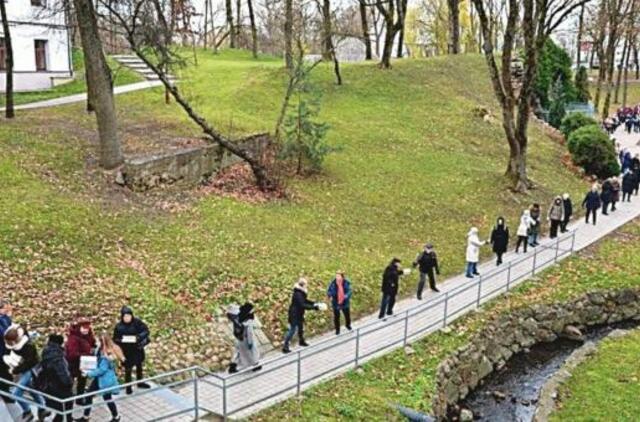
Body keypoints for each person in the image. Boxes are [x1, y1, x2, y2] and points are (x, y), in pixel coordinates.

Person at [3, 324, 49, 421]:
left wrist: (15, 370)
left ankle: (27, 410)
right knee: (31, 389)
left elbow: (29, 363)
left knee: (15, 393)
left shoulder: (28, 346)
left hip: (29, 369)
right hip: (22, 367)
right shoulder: (15, 340)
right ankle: (42, 408)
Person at [76, 334, 123, 422]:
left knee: (103, 397)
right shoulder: (101, 351)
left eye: (98, 341)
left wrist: (88, 374)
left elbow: (102, 369)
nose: (96, 342)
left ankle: (115, 417)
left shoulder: (106, 355)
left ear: (102, 342)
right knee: (95, 396)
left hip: (104, 380)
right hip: (101, 379)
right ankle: (115, 416)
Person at [113, 306, 150, 394]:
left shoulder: (137, 322)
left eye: (129, 316)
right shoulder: (119, 327)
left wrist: (138, 337)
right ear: (122, 317)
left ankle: (140, 382)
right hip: (127, 351)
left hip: (137, 348)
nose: (127, 318)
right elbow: (115, 339)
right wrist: (122, 340)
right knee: (128, 370)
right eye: (125, 316)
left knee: (139, 366)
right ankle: (128, 387)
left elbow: (146, 331)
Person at [39, 334, 73, 422]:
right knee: (67, 405)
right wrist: (70, 382)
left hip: (50, 385)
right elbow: (62, 374)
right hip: (59, 387)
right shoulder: (57, 357)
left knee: (60, 409)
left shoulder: (47, 351)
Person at [283, 278, 321, 353]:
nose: (307, 286)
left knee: (300, 328)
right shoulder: (298, 294)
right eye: (306, 285)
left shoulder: (300, 292)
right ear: (303, 285)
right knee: (292, 330)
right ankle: (285, 346)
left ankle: (301, 341)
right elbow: (302, 304)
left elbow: (305, 300)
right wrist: (314, 307)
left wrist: (313, 303)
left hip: (299, 313)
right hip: (294, 314)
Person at [65, 317, 96, 405]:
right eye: (84, 328)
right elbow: (72, 354)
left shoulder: (88, 335)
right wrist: (85, 355)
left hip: (84, 364)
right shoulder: (73, 339)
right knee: (71, 382)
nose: (86, 330)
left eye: (87, 328)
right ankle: (68, 400)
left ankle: (79, 398)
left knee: (82, 381)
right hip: (73, 364)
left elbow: (92, 343)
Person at [228, 303, 261, 373]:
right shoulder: (248, 322)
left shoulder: (238, 319)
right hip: (246, 339)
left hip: (239, 339)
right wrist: (250, 343)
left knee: (238, 352)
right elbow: (250, 333)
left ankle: (233, 366)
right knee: (253, 352)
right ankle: (256, 365)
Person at [0, 300, 14, 405]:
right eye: (6, 308)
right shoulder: (2, 319)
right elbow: (6, 332)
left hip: (4, 351)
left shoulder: (3, 318)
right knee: (4, 374)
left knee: (5, 373)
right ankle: (6, 395)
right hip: (2, 352)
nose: (7, 310)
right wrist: (8, 317)